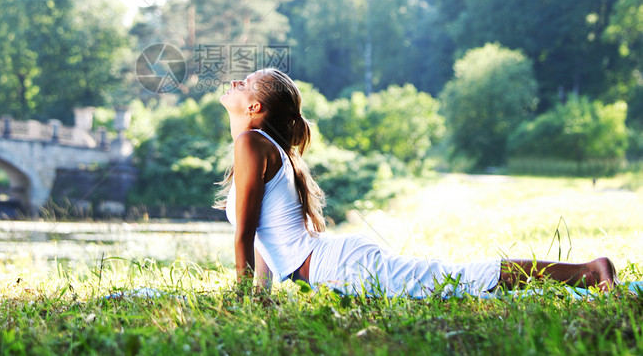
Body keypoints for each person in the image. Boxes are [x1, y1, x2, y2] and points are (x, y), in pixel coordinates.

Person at [217, 67, 617, 297]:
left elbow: (245, 234)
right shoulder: (257, 145)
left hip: (342, 265)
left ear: (255, 107)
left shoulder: (252, 144)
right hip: (335, 264)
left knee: (461, 281)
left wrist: (242, 300)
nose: (236, 81)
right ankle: (586, 272)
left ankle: (589, 271)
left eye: (246, 82)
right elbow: (263, 241)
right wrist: (259, 296)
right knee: (455, 279)